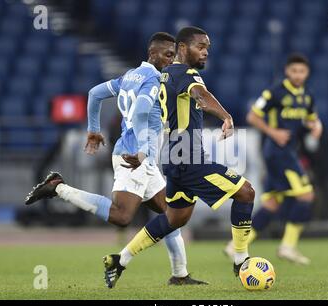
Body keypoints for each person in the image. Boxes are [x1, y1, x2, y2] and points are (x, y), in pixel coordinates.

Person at [24, 32, 207, 286]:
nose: (170, 60)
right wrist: (143, 151)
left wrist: (93, 129)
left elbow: (95, 93)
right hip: (133, 156)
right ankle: (58, 188)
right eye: (166, 55)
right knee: (121, 216)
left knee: (170, 214)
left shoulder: (129, 76)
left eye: (172, 55)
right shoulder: (153, 79)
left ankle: (180, 274)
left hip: (143, 159)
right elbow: (142, 113)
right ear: (152, 54)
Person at [101, 26, 256, 288]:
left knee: (175, 219)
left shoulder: (164, 75)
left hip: (172, 159)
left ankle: (120, 259)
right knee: (247, 193)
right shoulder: (186, 73)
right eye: (200, 46)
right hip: (189, 159)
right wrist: (226, 116)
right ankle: (241, 260)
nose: (205, 52)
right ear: (182, 49)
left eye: (207, 47)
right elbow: (201, 95)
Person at [225, 53, 323, 265]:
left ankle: (235, 246)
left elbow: (311, 120)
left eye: (302, 71)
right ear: (287, 71)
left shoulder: (308, 95)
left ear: (307, 73)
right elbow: (252, 116)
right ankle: (287, 246)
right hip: (278, 152)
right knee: (306, 196)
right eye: (294, 70)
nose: (298, 75)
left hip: (289, 152)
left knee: (271, 203)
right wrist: (273, 132)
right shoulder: (275, 92)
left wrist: (317, 127)